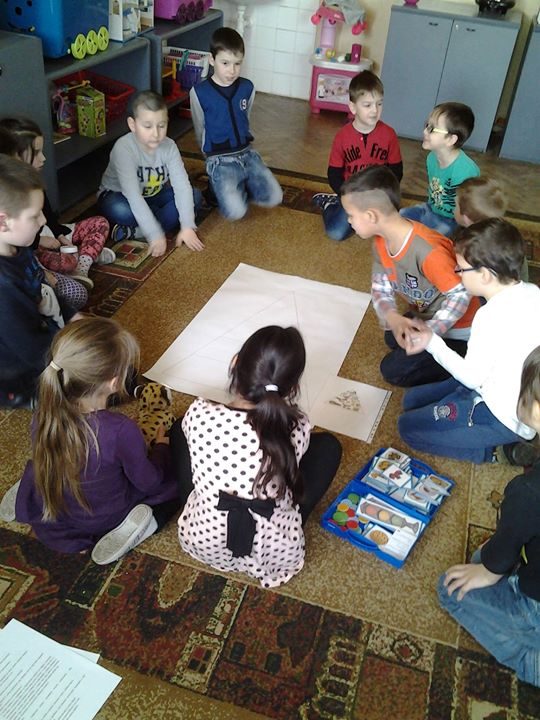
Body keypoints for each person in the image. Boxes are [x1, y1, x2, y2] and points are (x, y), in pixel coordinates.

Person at [169, 325, 342, 588]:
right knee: (329, 446)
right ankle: (288, 522)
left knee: (180, 429)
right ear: (292, 388)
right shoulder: (297, 426)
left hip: (203, 539)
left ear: (234, 363)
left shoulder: (199, 413)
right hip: (273, 552)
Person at [5, 317, 182, 564]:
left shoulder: (44, 413)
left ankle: (29, 490)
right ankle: (144, 524)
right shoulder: (120, 429)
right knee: (176, 483)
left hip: (59, 510)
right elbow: (149, 482)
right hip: (107, 515)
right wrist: (162, 450)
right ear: (115, 382)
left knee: (45, 467)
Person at [437, 344, 540, 686]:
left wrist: (491, 569)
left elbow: (501, 553)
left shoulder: (527, 493)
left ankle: (533, 663)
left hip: (535, 602)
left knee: (450, 586)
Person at [398, 218, 540, 464]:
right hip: (491, 383)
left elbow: (471, 377)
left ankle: (492, 453)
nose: (457, 273)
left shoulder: (488, 317)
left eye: (461, 269)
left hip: (500, 415)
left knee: (406, 428)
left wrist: (431, 342)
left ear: (484, 275)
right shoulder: (533, 291)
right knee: (410, 401)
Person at [340, 166, 480, 387]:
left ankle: (462, 356)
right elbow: (380, 287)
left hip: (460, 328)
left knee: (392, 371)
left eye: (351, 215)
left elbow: (460, 295)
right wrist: (392, 317)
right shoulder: (380, 242)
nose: (349, 221)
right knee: (392, 335)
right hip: (426, 313)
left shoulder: (428, 251)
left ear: (371, 216)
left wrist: (430, 333)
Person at [0, 117, 114, 295]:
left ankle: (83, 265)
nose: (43, 158)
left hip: (50, 235)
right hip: (35, 245)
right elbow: (22, 248)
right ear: (14, 156)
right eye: (36, 153)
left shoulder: (33, 183)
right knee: (66, 266)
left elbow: (49, 218)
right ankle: (86, 255)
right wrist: (40, 241)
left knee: (100, 222)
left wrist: (60, 235)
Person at [0, 155, 74, 409]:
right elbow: (31, 349)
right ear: (3, 222)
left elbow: (43, 288)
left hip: (43, 332)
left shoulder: (18, 246)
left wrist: (73, 316)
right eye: (34, 216)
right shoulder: (3, 286)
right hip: (18, 371)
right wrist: (72, 362)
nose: (43, 221)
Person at [189, 27, 283, 221]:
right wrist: (208, 156)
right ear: (212, 59)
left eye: (237, 64)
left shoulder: (247, 87)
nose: (231, 71)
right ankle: (216, 188)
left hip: (247, 154)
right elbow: (199, 126)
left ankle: (241, 182)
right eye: (225, 63)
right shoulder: (199, 92)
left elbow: (244, 116)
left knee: (275, 197)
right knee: (236, 212)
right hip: (220, 159)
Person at [98, 90, 203, 257]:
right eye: (147, 126)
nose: (156, 133)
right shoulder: (123, 148)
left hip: (153, 194)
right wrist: (155, 235)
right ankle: (154, 222)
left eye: (161, 126)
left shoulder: (169, 146)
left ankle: (135, 231)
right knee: (120, 210)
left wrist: (187, 226)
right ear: (132, 125)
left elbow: (182, 186)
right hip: (119, 196)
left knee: (195, 195)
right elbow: (133, 196)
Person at [312, 70, 402, 242]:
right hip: (351, 196)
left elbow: (396, 171)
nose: (375, 110)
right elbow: (334, 174)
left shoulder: (389, 134)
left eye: (379, 104)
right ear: (353, 107)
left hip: (379, 196)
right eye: (367, 105)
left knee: (394, 232)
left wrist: (383, 195)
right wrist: (346, 196)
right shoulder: (342, 136)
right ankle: (329, 204)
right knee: (336, 233)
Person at [400, 102, 479, 236]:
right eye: (426, 125)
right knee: (400, 216)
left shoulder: (466, 171)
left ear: (451, 139)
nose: (424, 131)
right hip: (431, 209)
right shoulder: (431, 158)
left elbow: (470, 211)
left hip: (453, 220)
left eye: (432, 129)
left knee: (432, 239)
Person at [455, 176, 528, 281]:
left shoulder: (473, 247)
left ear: (466, 218)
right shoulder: (508, 232)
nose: (453, 208)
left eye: (455, 205)